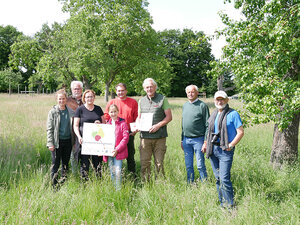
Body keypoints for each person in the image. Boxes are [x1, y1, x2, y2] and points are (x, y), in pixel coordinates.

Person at [204, 90, 244, 208]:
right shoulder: (214, 113)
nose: (219, 101)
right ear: (214, 101)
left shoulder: (233, 114)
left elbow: (240, 132)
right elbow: (209, 131)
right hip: (213, 149)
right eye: (217, 99)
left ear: (227, 100)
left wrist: (231, 145)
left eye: (222, 99)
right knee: (217, 178)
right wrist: (206, 143)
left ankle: (230, 205)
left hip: (225, 151)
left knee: (224, 178)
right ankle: (222, 204)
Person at [138, 78, 172, 181]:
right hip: (145, 138)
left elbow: (169, 117)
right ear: (144, 89)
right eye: (147, 87)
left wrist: (158, 125)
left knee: (159, 163)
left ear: (155, 87)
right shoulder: (141, 101)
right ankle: (146, 183)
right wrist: (136, 126)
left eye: (151, 86)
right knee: (144, 162)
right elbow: (139, 118)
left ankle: (160, 184)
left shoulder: (162, 99)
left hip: (159, 137)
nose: (149, 89)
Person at [104, 83, 138, 176]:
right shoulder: (112, 102)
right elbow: (106, 116)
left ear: (126, 91)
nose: (121, 92)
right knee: (114, 155)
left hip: (128, 134)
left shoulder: (133, 102)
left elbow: (136, 117)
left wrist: (135, 130)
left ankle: (132, 176)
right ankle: (115, 175)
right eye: (119, 91)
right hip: (114, 134)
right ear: (116, 91)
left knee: (130, 156)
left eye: (122, 90)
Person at [73, 89, 105, 180]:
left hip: (97, 142)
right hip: (84, 142)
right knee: (84, 163)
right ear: (84, 98)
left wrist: (99, 123)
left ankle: (99, 182)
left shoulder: (98, 109)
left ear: (94, 98)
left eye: (91, 96)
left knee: (97, 163)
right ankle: (85, 183)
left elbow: (104, 124)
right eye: (87, 97)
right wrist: (79, 137)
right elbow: (75, 126)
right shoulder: (80, 109)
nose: (89, 98)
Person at [181, 85, 209, 183]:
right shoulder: (185, 105)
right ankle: (190, 183)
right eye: (188, 92)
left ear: (197, 93)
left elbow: (208, 125)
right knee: (188, 165)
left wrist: (205, 142)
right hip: (186, 140)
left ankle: (204, 183)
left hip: (199, 140)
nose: (190, 94)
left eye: (192, 92)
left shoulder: (202, 106)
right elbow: (183, 124)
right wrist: (182, 139)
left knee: (200, 165)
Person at [46, 89, 73, 186]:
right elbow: (49, 129)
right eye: (59, 99)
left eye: (63, 98)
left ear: (66, 99)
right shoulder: (53, 112)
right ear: (57, 99)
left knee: (65, 164)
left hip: (68, 141)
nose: (62, 101)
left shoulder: (70, 111)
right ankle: (54, 185)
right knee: (55, 164)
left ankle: (63, 183)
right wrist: (50, 143)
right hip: (57, 142)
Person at [103, 104, 129, 190]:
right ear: (108, 113)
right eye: (111, 112)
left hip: (118, 151)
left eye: (115, 111)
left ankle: (118, 189)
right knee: (112, 171)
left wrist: (117, 149)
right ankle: (114, 188)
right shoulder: (107, 124)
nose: (113, 113)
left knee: (118, 171)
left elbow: (126, 138)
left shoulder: (122, 123)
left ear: (118, 112)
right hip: (109, 151)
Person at [66, 81, 83, 174]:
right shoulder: (67, 100)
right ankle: (74, 173)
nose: (77, 90)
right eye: (75, 89)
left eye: (78, 88)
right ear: (72, 89)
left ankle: (84, 171)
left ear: (82, 89)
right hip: (70, 130)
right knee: (73, 151)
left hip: (83, 129)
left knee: (83, 151)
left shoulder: (85, 99)